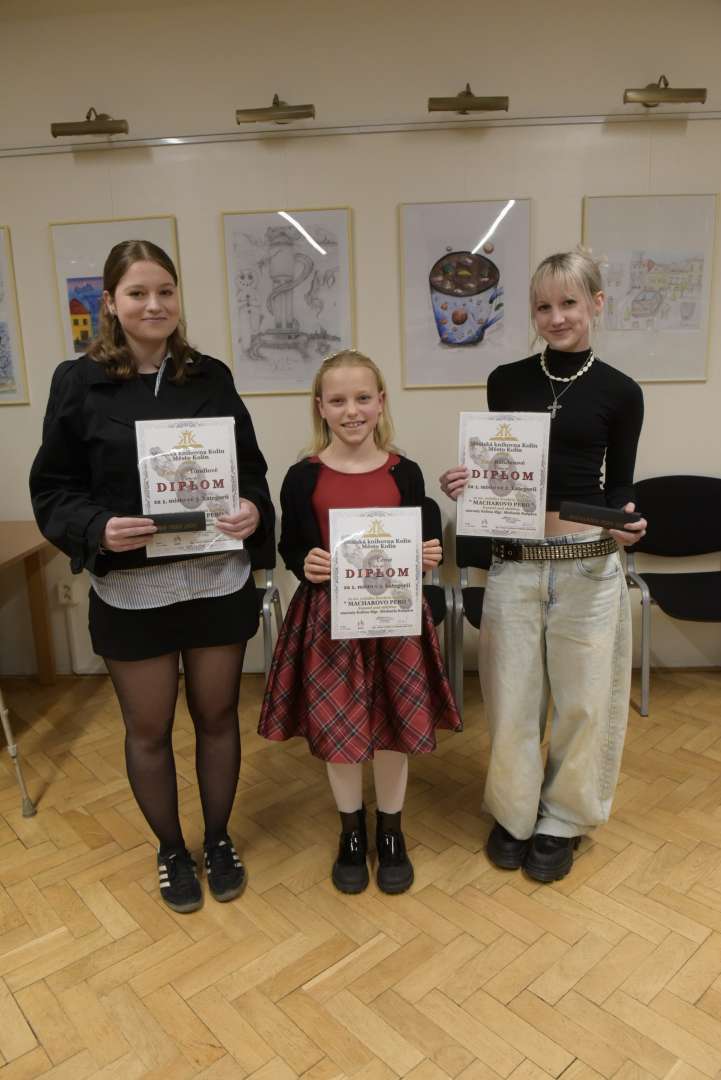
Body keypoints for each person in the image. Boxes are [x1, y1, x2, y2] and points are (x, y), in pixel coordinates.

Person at [30, 240, 273, 913]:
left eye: (165, 290)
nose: (154, 304)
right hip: (132, 589)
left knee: (217, 717)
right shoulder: (77, 382)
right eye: (137, 293)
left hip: (215, 581)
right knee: (148, 729)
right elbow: (53, 489)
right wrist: (96, 528)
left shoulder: (210, 375)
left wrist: (253, 509)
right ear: (110, 302)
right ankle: (172, 850)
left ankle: (218, 839)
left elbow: (249, 469)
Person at [440, 249, 646, 883]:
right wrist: (467, 485)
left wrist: (627, 521)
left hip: (589, 565)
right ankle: (514, 813)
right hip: (517, 563)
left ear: (596, 304)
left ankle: (563, 819)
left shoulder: (621, 391)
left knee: (584, 703)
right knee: (512, 700)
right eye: (543, 307)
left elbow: (620, 485)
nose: (556, 318)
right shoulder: (506, 380)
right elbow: (501, 470)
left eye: (569, 303)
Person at [258, 349, 461, 894]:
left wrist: (428, 554)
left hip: (394, 617)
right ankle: (351, 831)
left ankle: (391, 831)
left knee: (395, 725)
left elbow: (420, 540)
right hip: (328, 618)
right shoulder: (302, 476)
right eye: (339, 400)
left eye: (363, 398)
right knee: (338, 725)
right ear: (320, 407)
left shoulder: (405, 472)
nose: (352, 411)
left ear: (381, 402)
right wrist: (304, 560)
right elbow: (291, 545)